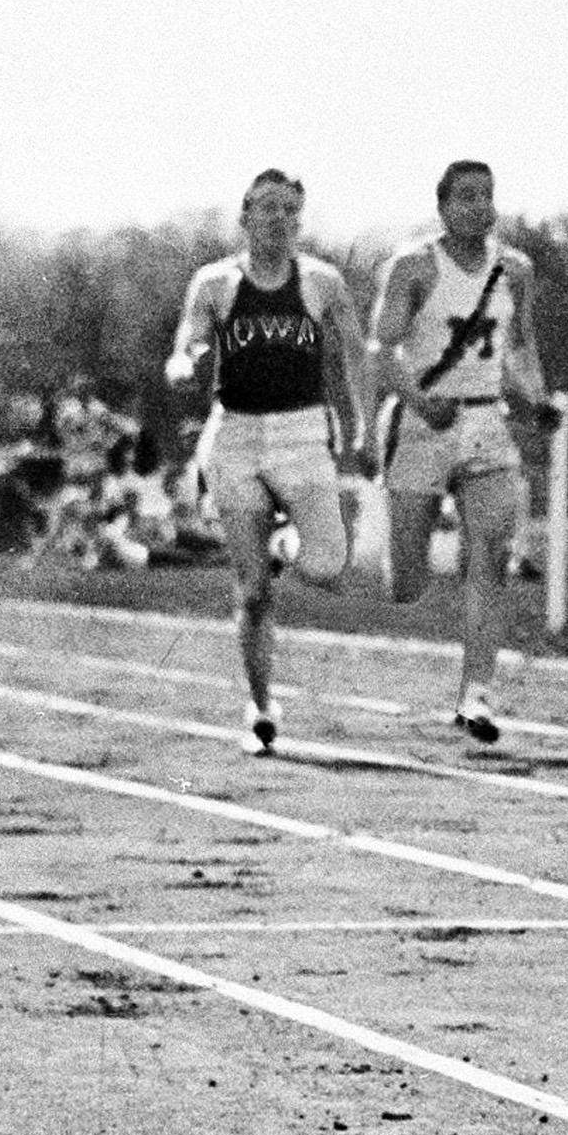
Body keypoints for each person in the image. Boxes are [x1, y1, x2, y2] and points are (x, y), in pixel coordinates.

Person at [165, 168, 368, 753]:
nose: (279, 218)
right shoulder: (217, 283)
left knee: (328, 564)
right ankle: (259, 706)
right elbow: (188, 339)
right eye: (267, 207)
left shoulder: (322, 283)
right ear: (245, 217)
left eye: (290, 210)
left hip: (303, 431)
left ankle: (286, 546)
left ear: (299, 221)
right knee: (252, 591)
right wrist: (184, 364)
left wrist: (361, 422)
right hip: (235, 436)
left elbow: (355, 354)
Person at [369, 160, 560, 743]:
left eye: (488, 196)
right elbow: (382, 350)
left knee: (493, 556)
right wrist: (420, 402)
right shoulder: (414, 266)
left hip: (484, 421)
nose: (480, 206)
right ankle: (398, 550)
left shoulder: (515, 270)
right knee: (407, 583)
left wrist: (536, 398)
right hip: (421, 423)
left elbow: (520, 347)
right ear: (443, 206)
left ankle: (475, 694)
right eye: (467, 197)